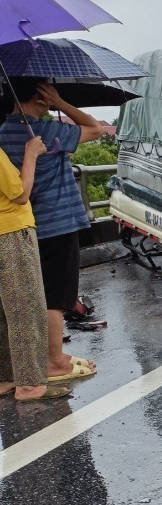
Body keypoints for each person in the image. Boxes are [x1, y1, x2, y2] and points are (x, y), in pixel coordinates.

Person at [0, 80, 103, 384]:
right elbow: (95, 128)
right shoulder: (46, 132)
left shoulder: (3, 134)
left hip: (24, 228)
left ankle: (37, 359)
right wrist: (61, 103)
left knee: (31, 296)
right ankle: (54, 361)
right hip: (58, 225)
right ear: (41, 97)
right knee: (56, 297)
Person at [0, 132, 68, 401]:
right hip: (11, 233)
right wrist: (31, 153)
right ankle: (29, 385)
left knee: (4, 312)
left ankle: (6, 377)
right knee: (26, 308)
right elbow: (20, 194)